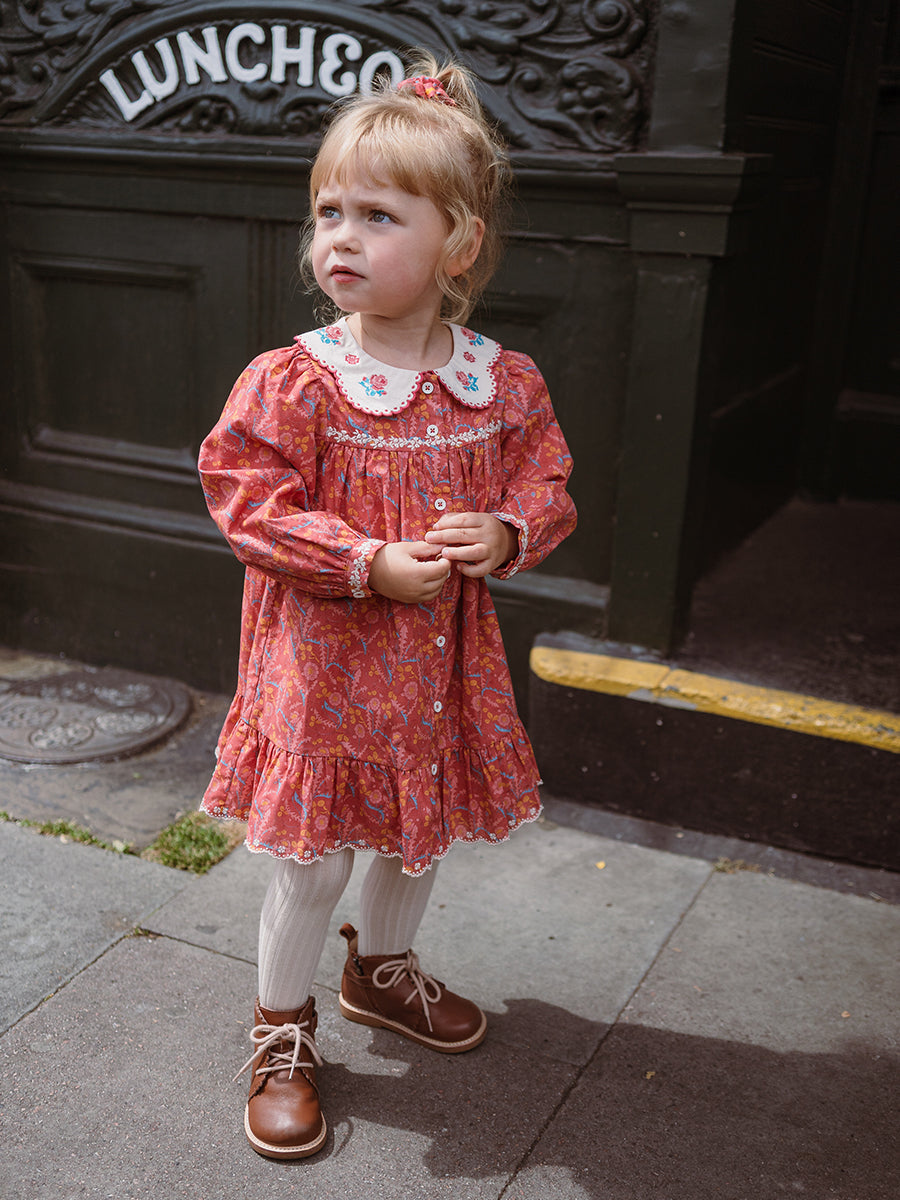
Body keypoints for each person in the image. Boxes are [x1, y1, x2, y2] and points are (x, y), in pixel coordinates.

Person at [197, 55, 576, 1161]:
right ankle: (281, 1029)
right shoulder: (298, 380)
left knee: (421, 833)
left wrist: (505, 531)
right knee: (314, 858)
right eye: (329, 213)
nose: (342, 239)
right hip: (323, 666)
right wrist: (364, 560)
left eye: (379, 216)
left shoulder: (501, 382)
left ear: (459, 242)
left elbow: (545, 483)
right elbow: (247, 499)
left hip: (437, 669)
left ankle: (381, 970)